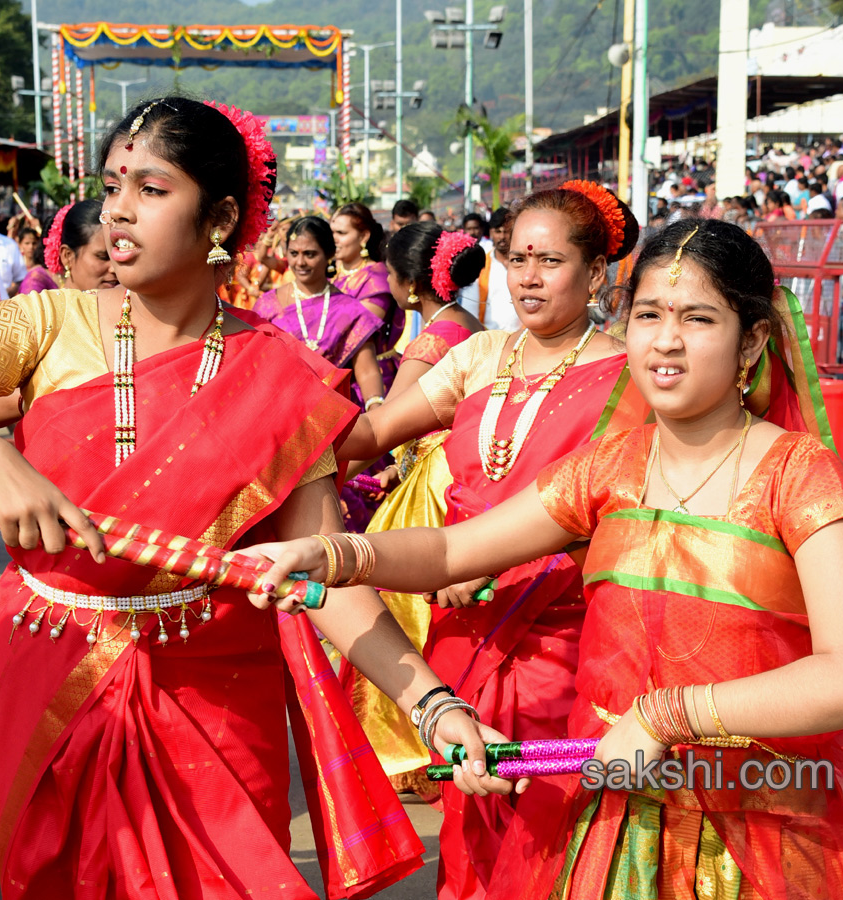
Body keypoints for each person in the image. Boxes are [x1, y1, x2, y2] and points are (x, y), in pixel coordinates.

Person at [0, 96, 506, 897]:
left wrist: (433, 707)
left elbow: (328, 584)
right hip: (49, 670)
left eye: (151, 189)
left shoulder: (278, 372)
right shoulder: (49, 324)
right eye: (113, 185)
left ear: (218, 216)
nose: (117, 211)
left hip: (214, 695)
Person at [249, 218, 843, 899]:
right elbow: (452, 549)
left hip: (762, 830)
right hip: (612, 830)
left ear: (751, 342)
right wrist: (335, 552)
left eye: (697, 319)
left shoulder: (797, 475)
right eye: (648, 316)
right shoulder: (609, 467)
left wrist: (668, 717)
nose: (665, 342)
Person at [330, 181, 645, 900]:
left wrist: (496, 556)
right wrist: (280, 434)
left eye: (550, 261)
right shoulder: (482, 356)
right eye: (516, 258)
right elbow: (374, 432)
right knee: (473, 829)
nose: (528, 277)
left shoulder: (635, 379)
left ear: (597, 274)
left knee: (555, 834)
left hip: (566, 643)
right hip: (461, 629)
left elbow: (632, 516)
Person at [340, 222, 485, 796]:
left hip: (433, 479)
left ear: (406, 285)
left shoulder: (433, 341)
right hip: (454, 472)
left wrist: (322, 477)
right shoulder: (470, 325)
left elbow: (381, 427)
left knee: (397, 614)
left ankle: (411, 752)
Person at [254, 216, 386, 405]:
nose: (300, 262)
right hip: (281, 409)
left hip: (336, 413)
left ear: (329, 254)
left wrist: (375, 407)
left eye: (310, 254)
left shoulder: (350, 310)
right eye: (293, 253)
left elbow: (367, 371)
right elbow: (256, 366)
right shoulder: (267, 305)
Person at [332, 202, 406, 366]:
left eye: (341, 233)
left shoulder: (376, 280)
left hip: (370, 375)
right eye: (331, 232)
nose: (333, 239)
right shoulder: (333, 274)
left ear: (364, 236)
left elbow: (353, 333)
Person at [458, 207, 520, 331]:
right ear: (491, 232)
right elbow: (470, 308)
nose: (502, 236)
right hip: (489, 337)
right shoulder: (481, 264)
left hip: (524, 339)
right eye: (498, 231)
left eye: (506, 231)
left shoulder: (526, 264)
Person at [42, 199, 119, 292]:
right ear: (67, 256)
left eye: (119, 256)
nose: (114, 268)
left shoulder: (129, 304)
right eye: (103, 257)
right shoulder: (42, 306)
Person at [16, 225, 57, 294]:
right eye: (27, 243)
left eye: (34, 243)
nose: (31, 247)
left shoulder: (43, 265)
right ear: (20, 245)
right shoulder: (17, 264)